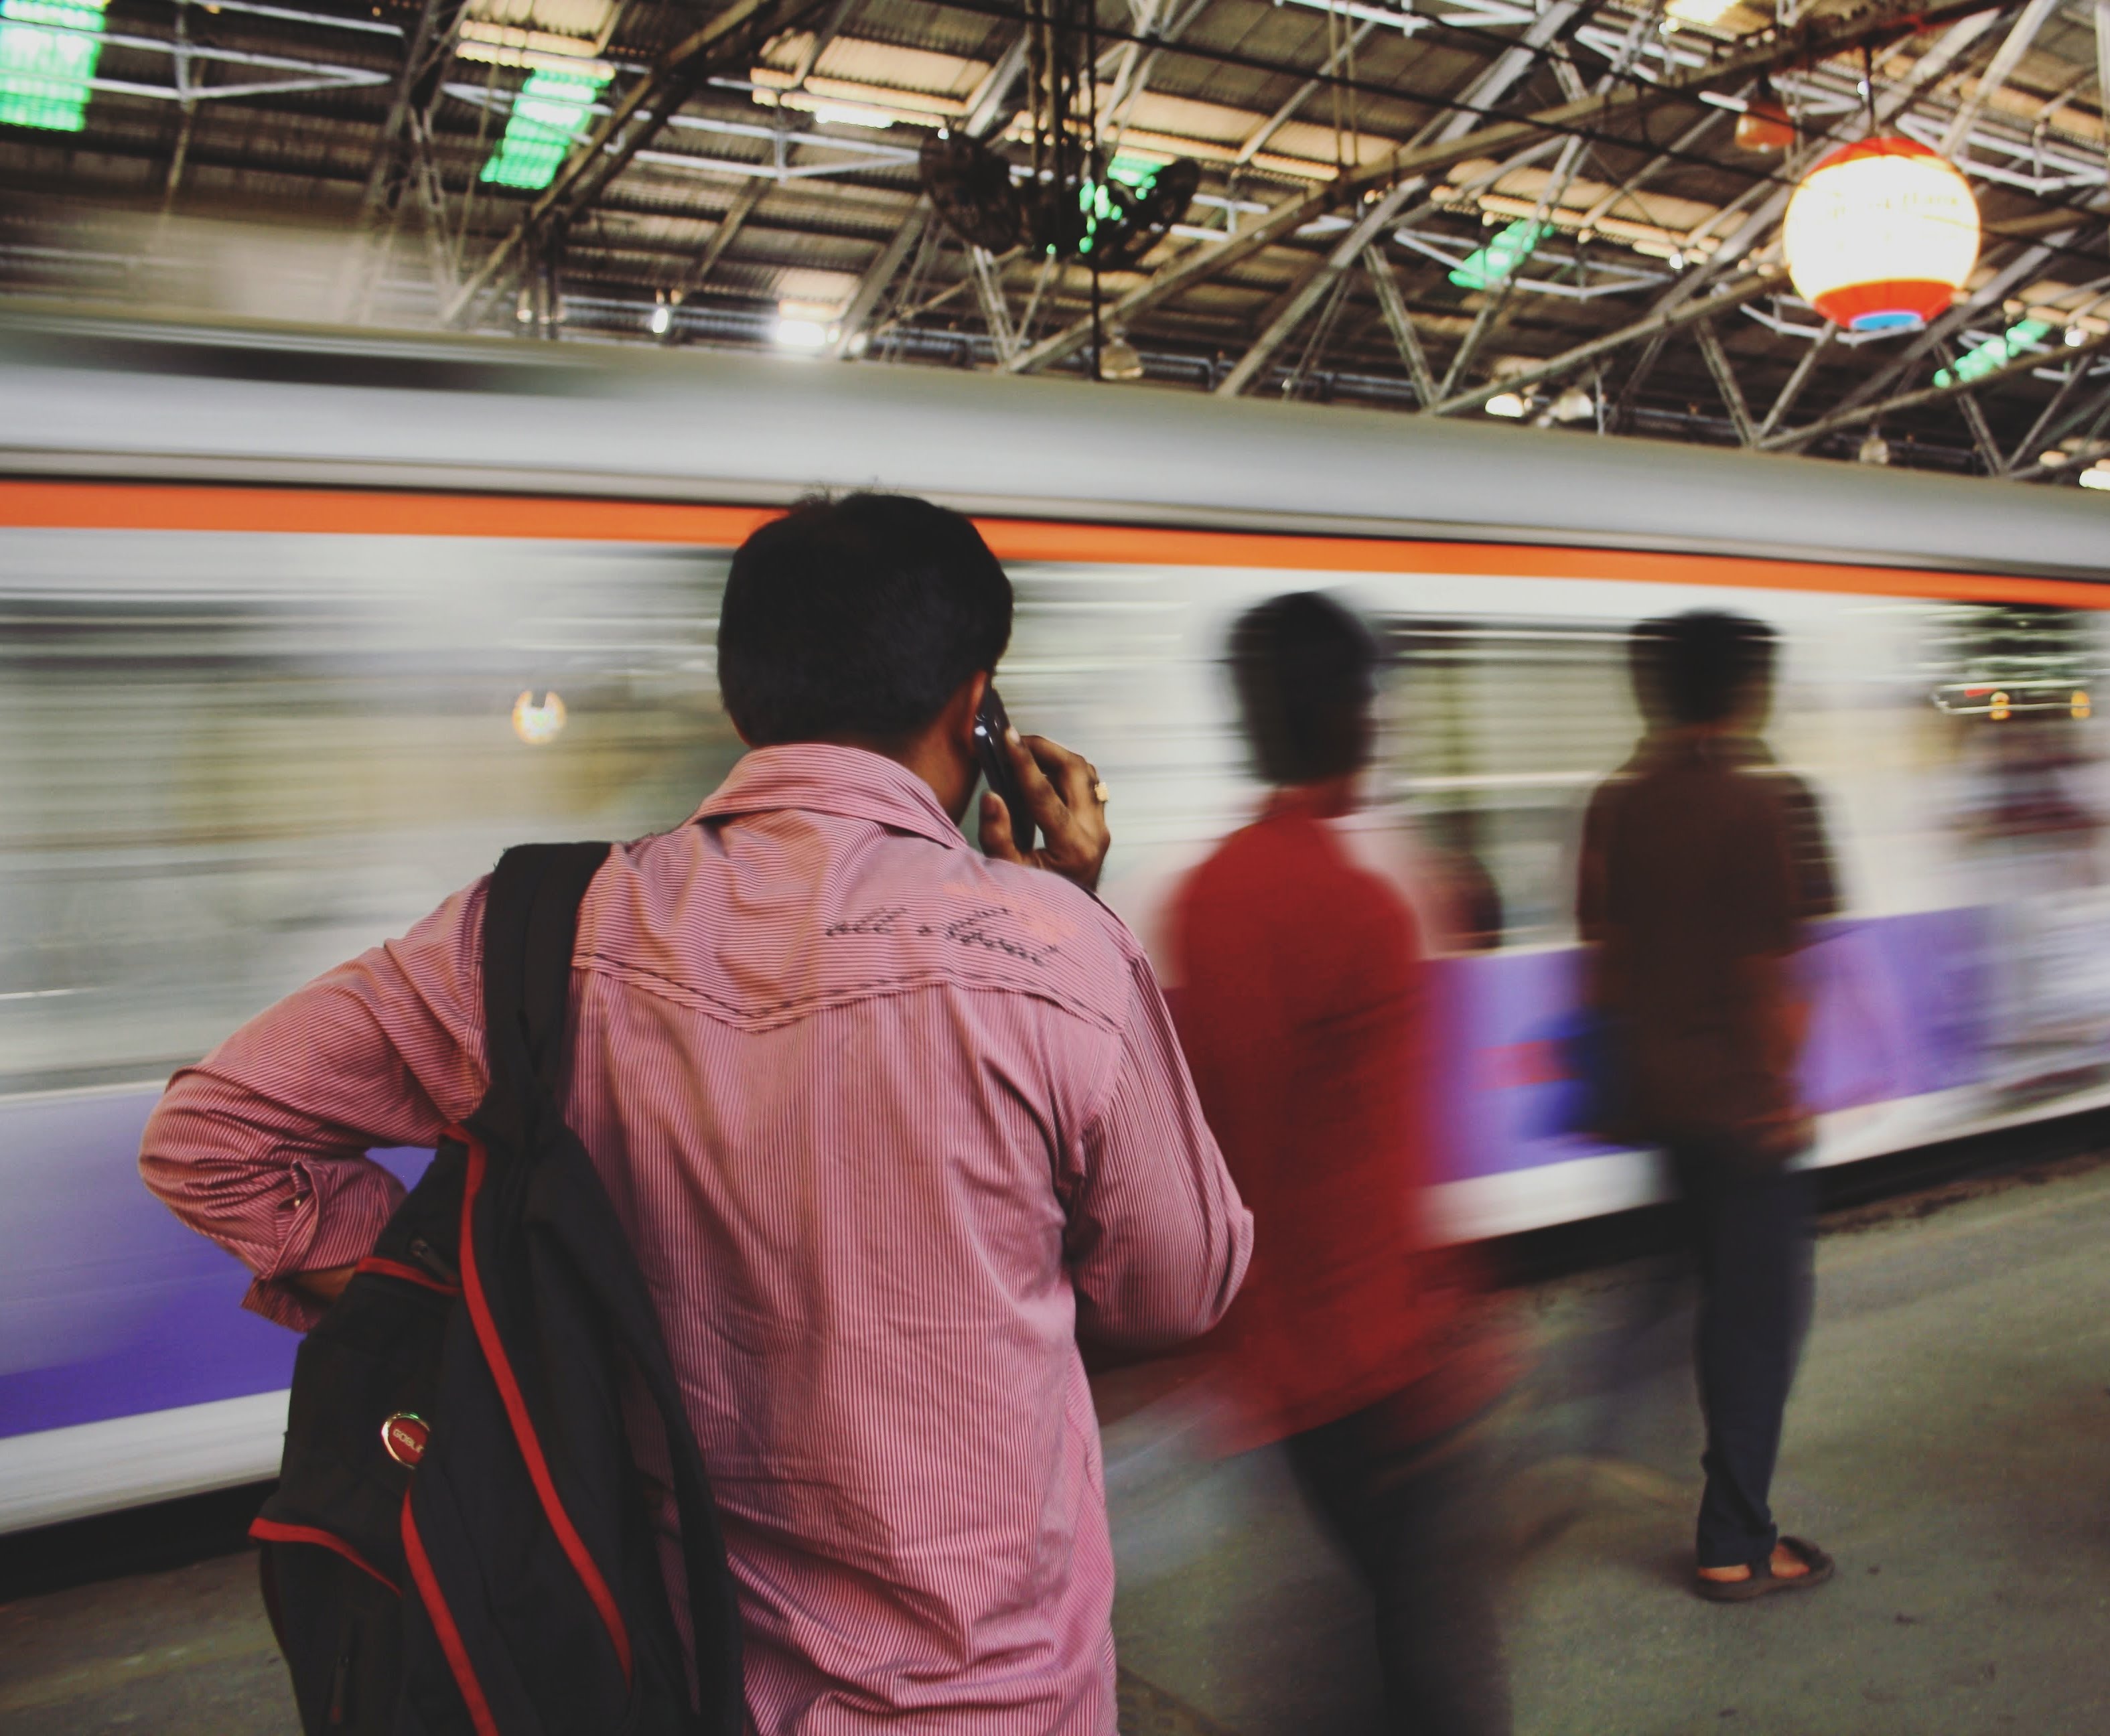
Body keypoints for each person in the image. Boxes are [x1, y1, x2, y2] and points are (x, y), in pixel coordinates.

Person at [140, 493, 1253, 1733]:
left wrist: (486, 1310)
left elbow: (213, 1138)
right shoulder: (1060, 953)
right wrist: (1073, 916)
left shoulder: (534, 937)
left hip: (661, 1676)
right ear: (975, 709)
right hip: (998, 1699)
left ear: (742, 706)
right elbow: (1178, 1285)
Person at [1170, 592, 1511, 1736]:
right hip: (1383, 1362)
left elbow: (1227, 1142)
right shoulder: (1362, 904)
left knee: (1367, 1633)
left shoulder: (1206, 897)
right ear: (1357, 718)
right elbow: (1386, 1156)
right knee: (1430, 1665)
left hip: (1277, 1367)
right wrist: (1455, 1316)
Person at [1576, 608, 1839, 1601]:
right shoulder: (1750, 804)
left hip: (1660, 1102)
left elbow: (1601, 952)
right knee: (1756, 1326)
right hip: (1739, 1110)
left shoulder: (1617, 801)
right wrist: (1780, 1096)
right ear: (1742, 691)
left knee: (1681, 1293)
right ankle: (1735, 1541)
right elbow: (1762, 971)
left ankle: (1580, 1441)